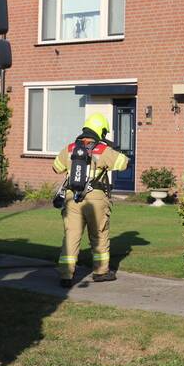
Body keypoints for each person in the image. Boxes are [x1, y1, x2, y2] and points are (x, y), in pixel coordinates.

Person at [52, 113, 129, 288]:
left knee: (71, 235)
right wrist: (111, 147)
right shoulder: (103, 150)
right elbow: (124, 163)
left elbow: (56, 167)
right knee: (99, 235)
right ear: (101, 130)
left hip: (72, 199)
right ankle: (101, 272)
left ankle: (65, 274)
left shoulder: (70, 148)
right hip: (96, 198)